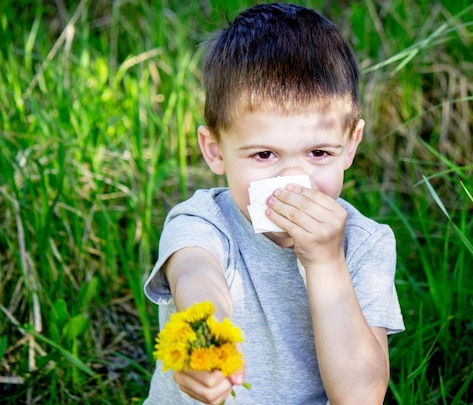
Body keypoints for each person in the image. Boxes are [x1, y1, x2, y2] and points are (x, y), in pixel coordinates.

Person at [143, 3, 404, 404]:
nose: (291, 181)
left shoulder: (365, 244)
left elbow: (361, 397)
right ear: (215, 150)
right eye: (264, 155)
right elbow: (196, 276)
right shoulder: (202, 221)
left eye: (318, 153)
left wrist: (326, 261)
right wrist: (203, 338)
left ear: (350, 145)